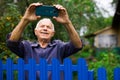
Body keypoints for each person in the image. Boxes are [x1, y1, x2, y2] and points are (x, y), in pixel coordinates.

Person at [6, 2, 83, 80]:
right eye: (42, 26)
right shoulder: (27, 47)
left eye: (48, 27)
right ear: (35, 31)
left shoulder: (59, 47)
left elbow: (78, 45)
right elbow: (12, 42)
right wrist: (25, 19)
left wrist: (67, 22)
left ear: (53, 33)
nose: (45, 28)